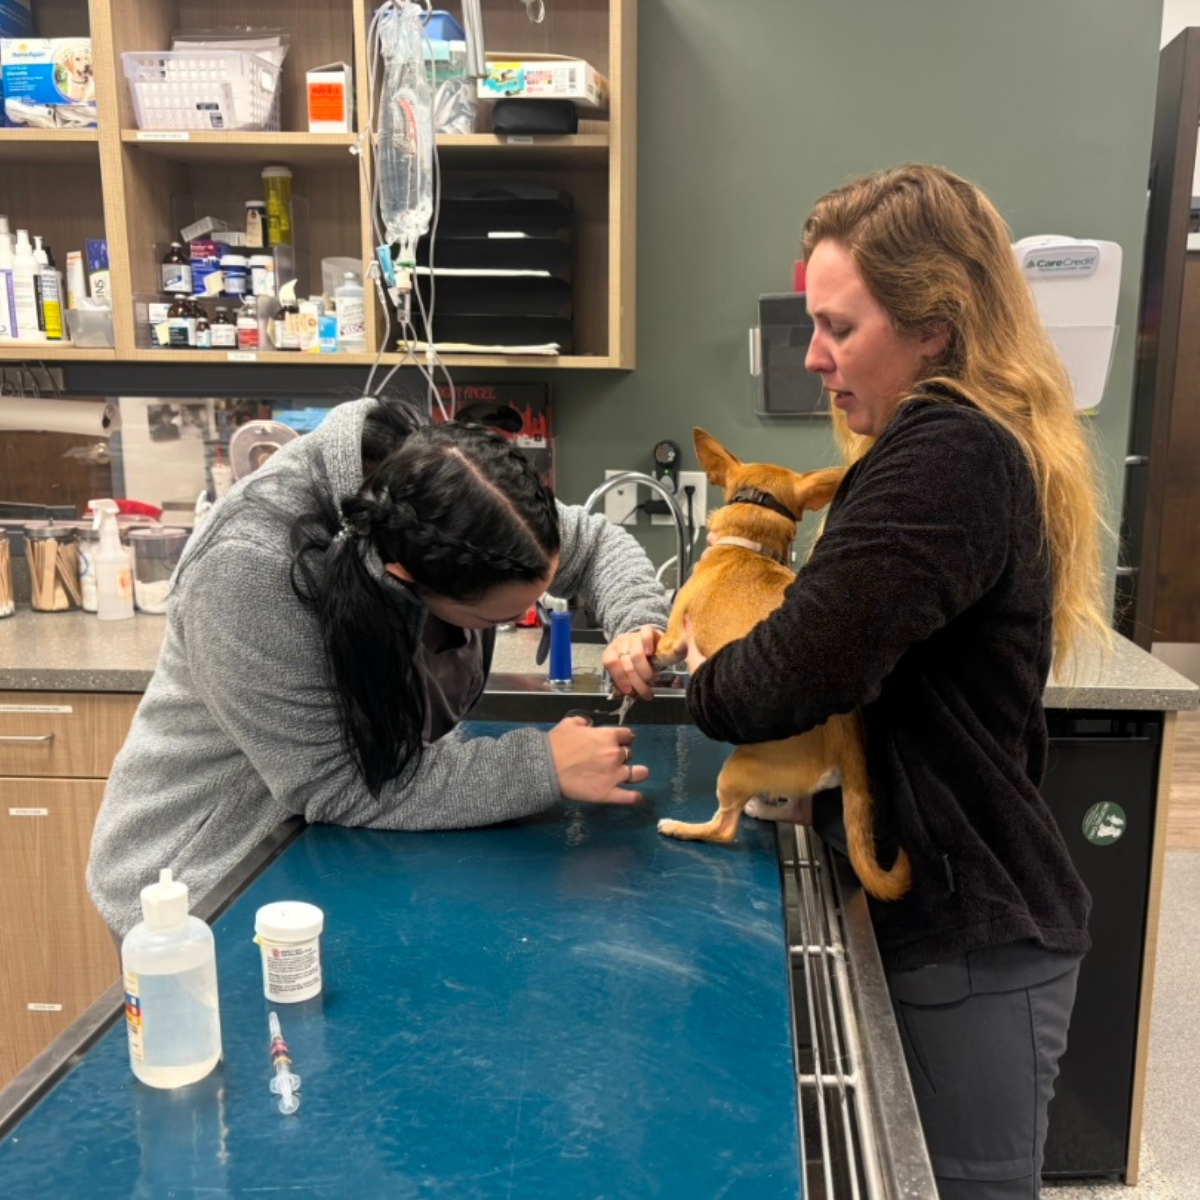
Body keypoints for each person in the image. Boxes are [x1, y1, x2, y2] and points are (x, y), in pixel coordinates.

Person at [682, 164, 1109, 1199]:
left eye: (840, 327)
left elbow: (793, 671)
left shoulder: (947, 456)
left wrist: (704, 672)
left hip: (973, 936)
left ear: (936, 326)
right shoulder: (943, 448)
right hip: (952, 919)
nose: (815, 356)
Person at [88, 396, 669, 936]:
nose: (518, 620)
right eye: (500, 618)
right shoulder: (249, 570)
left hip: (326, 850)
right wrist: (540, 766)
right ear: (404, 581)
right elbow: (338, 784)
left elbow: (592, 546)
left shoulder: (448, 493)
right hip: (208, 883)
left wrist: (638, 621)